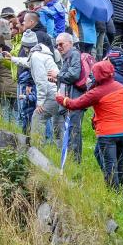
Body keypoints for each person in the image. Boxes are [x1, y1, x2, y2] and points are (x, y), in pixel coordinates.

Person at [57, 60, 123, 192]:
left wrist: (61, 99)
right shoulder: (120, 87)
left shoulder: (97, 92)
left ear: (98, 75)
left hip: (107, 135)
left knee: (111, 167)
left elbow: (74, 105)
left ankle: (114, 196)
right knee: (116, 162)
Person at [49, 33, 84, 163]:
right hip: (69, 98)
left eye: (61, 44)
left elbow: (74, 75)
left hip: (74, 99)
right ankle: (71, 160)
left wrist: (58, 75)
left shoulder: (74, 54)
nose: (58, 47)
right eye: (57, 44)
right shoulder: (68, 56)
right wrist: (56, 80)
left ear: (70, 43)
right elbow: (67, 78)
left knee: (74, 131)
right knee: (70, 130)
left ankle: (75, 162)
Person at [12, 30, 40, 134]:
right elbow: (26, 62)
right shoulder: (33, 55)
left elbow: (37, 77)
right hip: (30, 87)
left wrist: (28, 87)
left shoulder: (36, 57)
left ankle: (29, 137)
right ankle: (26, 136)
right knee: (26, 113)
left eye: (25, 47)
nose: (24, 50)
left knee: (29, 113)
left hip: (32, 89)